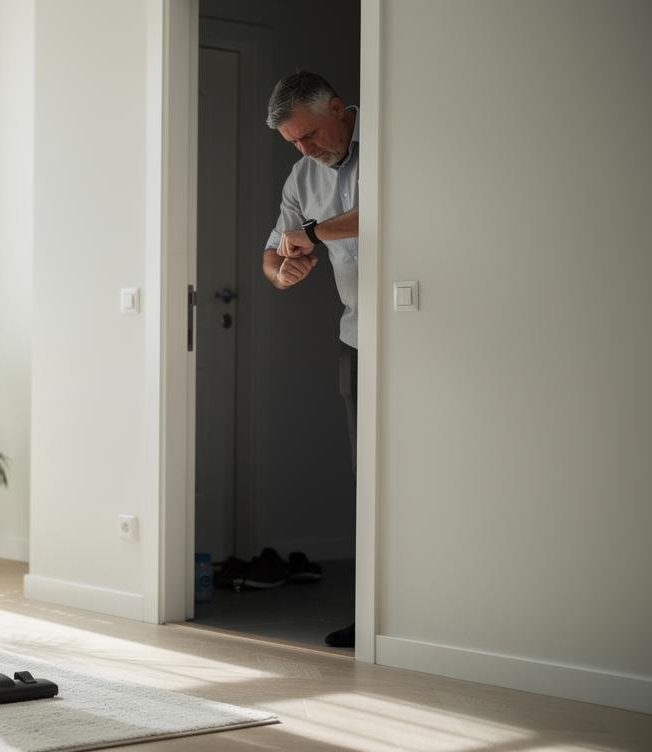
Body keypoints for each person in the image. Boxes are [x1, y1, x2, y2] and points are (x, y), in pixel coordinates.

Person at [261, 71, 359, 649]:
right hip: (357, 336)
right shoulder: (303, 174)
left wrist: (315, 236)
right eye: (294, 143)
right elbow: (275, 256)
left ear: (337, 108)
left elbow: (395, 209)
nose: (305, 149)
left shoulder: (397, 138)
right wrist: (284, 270)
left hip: (422, 336)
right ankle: (372, 612)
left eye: (310, 135)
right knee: (365, 479)